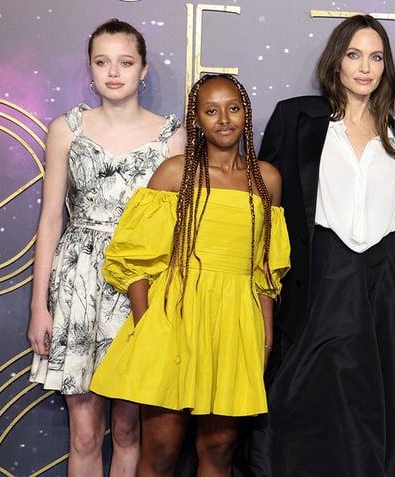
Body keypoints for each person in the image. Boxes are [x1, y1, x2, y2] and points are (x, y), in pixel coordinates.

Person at [88, 74, 290, 477]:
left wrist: (265, 334)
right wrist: (148, 322)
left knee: (219, 447)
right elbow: (136, 257)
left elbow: (265, 269)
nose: (224, 119)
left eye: (233, 108)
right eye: (211, 111)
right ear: (196, 120)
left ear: (245, 114)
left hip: (234, 324)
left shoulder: (266, 179)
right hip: (174, 318)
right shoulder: (175, 173)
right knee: (161, 449)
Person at [251, 14, 395, 477]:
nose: (364, 67)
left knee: (376, 405)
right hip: (320, 277)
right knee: (304, 400)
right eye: (354, 54)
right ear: (337, 61)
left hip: (385, 285)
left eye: (375, 57)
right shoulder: (298, 117)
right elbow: (264, 208)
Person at [27, 18, 184, 476]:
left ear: (144, 70)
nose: (113, 72)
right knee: (84, 431)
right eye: (102, 62)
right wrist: (40, 308)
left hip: (141, 284)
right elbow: (52, 219)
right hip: (77, 283)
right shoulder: (66, 129)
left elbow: (179, 229)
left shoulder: (171, 137)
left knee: (131, 428)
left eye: (125, 62)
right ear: (90, 69)